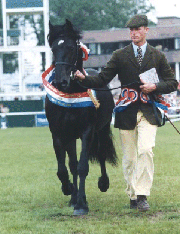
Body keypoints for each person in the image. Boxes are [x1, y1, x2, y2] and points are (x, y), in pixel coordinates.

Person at [74, 15, 178, 211]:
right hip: (125, 112)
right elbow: (102, 79)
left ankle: (142, 196)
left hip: (149, 111)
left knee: (146, 150)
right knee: (129, 158)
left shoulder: (158, 56)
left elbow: (172, 83)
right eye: (131, 30)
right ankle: (132, 194)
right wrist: (84, 78)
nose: (134, 33)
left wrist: (154, 86)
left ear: (146, 30)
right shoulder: (119, 55)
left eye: (137, 29)